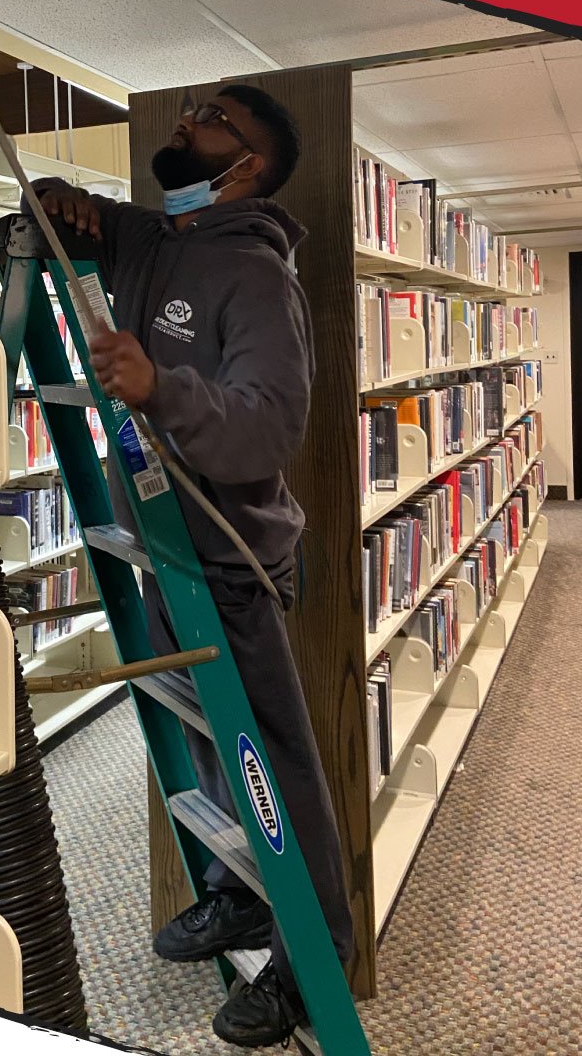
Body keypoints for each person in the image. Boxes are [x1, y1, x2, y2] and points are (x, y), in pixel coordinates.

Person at [31, 84, 353, 1048]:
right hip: (165, 548)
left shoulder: (255, 274)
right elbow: (53, 221)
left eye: (212, 122)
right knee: (215, 746)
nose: (187, 126)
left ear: (246, 164)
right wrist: (49, 198)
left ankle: (312, 961)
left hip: (230, 561)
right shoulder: (154, 236)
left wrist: (160, 386)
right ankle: (237, 892)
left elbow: (270, 423)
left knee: (273, 763)